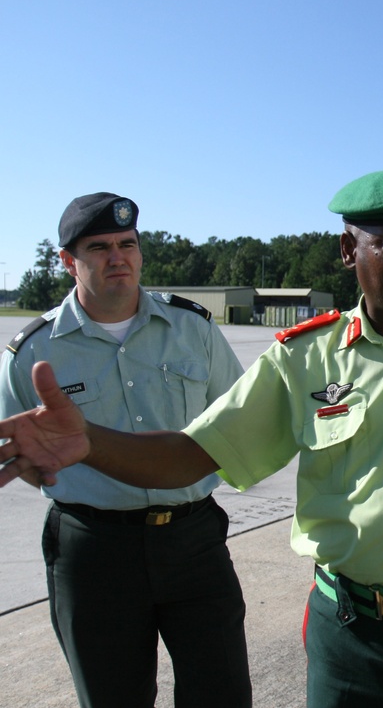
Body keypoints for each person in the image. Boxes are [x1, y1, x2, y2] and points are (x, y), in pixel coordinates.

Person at [0, 171, 383, 708]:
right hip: (349, 634)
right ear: (350, 250)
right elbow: (191, 455)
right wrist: (90, 441)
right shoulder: (301, 359)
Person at [0, 193, 252, 707]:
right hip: (93, 550)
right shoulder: (34, 351)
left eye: (127, 244)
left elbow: (237, 417)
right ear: (69, 262)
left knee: (222, 693)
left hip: (192, 539)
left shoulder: (193, 328)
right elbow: (24, 452)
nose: (117, 257)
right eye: (99, 247)